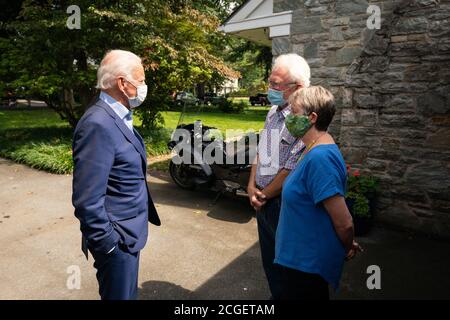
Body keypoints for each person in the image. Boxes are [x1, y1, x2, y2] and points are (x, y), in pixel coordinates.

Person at [72, 49, 161, 300]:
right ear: (123, 84)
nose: (144, 86)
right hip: (118, 242)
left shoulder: (118, 116)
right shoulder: (98, 123)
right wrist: (109, 244)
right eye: (141, 80)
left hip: (129, 235)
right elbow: (87, 200)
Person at [274, 86, 363, 300]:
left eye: (294, 112)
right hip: (296, 262)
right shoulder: (311, 148)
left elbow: (344, 223)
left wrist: (347, 244)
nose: (289, 118)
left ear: (312, 117)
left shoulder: (321, 158)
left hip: (306, 267)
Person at [247, 53, 310, 299]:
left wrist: (263, 194)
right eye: (270, 82)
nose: (269, 88)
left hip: (281, 203)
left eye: (276, 84)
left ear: (298, 88)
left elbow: (290, 168)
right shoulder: (274, 110)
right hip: (262, 200)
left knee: (289, 269)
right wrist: (251, 186)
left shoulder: (302, 120)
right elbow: (262, 151)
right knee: (271, 264)